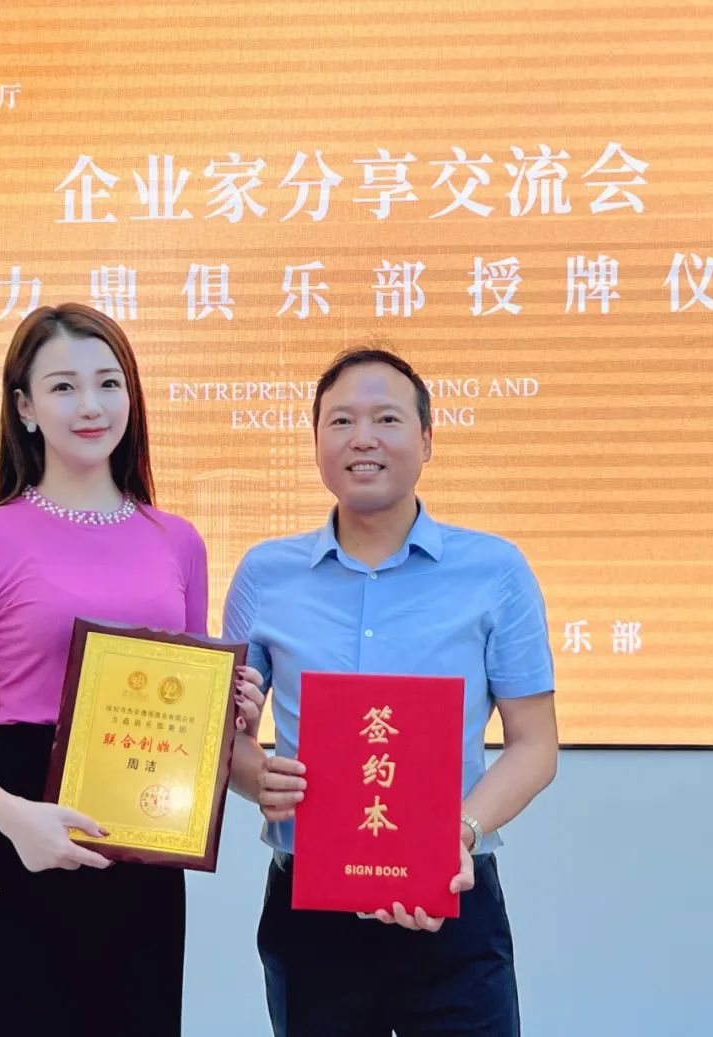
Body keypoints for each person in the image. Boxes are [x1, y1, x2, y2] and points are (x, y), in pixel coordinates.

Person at [0, 303, 262, 1037]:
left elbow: (189, 711)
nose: (91, 406)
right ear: (25, 407)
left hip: (140, 824)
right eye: (64, 387)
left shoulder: (178, 542)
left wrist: (234, 713)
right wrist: (16, 819)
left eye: (108, 383)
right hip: (16, 816)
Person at [224, 347, 558, 1037]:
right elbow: (228, 738)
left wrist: (455, 835)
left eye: (386, 419)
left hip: (453, 901)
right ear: (317, 441)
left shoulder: (494, 570)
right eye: (341, 420)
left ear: (427, 439)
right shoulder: (265, 573)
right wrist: (259, 778)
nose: (363, 438)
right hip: (310, 910)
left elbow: (535, 747)